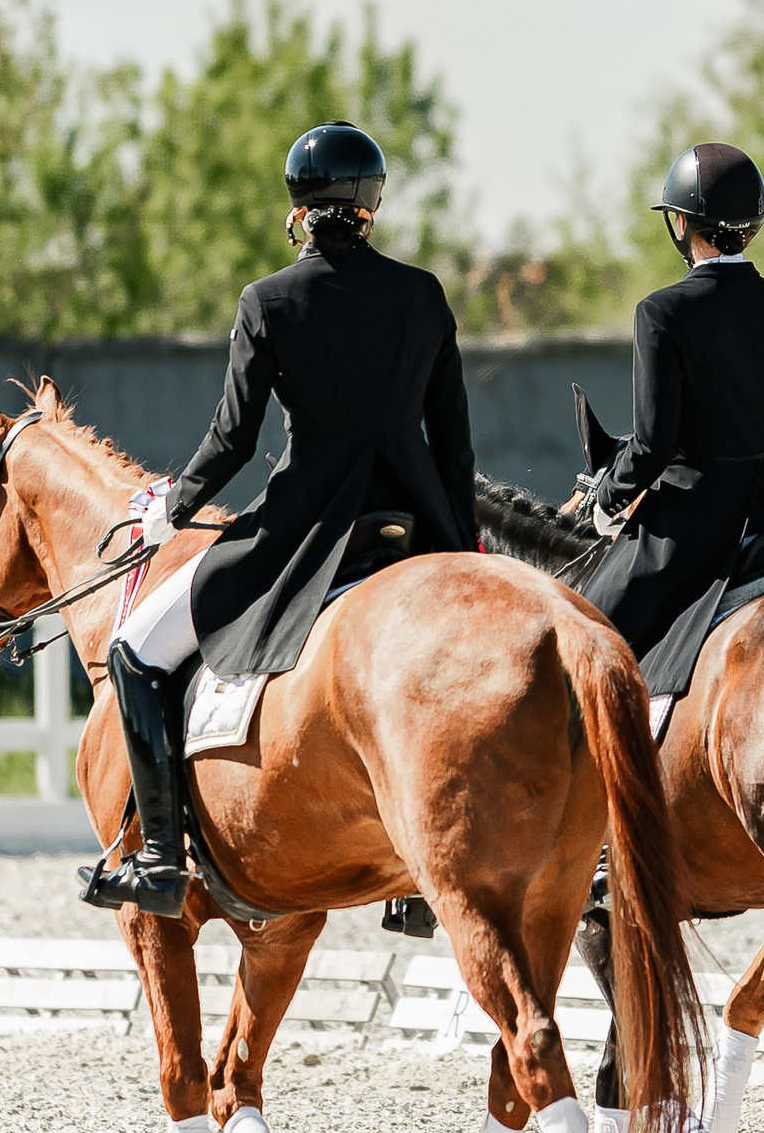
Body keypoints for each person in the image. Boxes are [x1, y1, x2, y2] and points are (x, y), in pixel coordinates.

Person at [83, 122, 479, 915]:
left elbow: (233, 440)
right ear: (372, 203)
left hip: (305, 528)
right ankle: (416, 879)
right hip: (412, 524)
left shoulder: (267, 300)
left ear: (297, 208)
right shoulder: (424, 295)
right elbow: (454, 445)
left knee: (133, 652)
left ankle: (161, 858)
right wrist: (460, 548)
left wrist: (171, 507)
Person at [580, 142, 764, 681]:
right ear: (753, 225)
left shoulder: (660, 313)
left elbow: (653, 446)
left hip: (691, 530)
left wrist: (608, 496)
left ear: (679, 223)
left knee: (584, 646)